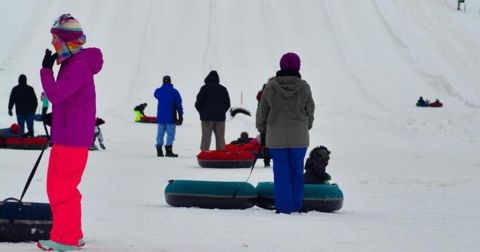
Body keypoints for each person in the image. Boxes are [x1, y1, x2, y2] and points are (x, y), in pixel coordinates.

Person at [37, 14, 103, 251]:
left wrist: (45, 70)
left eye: (55, 37)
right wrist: (58, 116)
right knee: (65, 188)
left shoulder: (77, 66)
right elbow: (69, 99)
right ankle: (71, 235)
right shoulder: (75, 64)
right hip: (71, 135)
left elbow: (55, 94)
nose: (53, 43)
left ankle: (64, 239)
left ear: (66, 40)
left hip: (70, 140)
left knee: (60, 188)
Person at [256, 52, 315, 214]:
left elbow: (262, 112)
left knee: (281, 173)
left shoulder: (271, 87)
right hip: (299, 138)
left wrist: (262, 130)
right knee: (297, 172)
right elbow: (310, 111)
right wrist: (306, 126)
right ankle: (296, 205)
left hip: (276, 138)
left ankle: (283, 207)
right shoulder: (304, 87)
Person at [195, 70, 231, 151]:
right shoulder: (223, 89)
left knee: (206, 137)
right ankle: (221, 155)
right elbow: (228, 103)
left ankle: (204, 154)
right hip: (220, 118)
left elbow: (198, 102)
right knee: (220, 138)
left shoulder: (204, 88)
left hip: (206, 118)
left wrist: (202, 112)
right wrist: (222, 111)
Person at [154, 75, 183, 157]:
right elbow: (179, 105)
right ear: (170, 81)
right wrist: (180, 116)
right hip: (171, 117)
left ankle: (159, 151)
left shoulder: (158, 91)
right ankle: (169, 151)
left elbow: (155, 95)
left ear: (163, 81)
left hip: (160, 117)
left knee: (160, 133)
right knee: (170, 134)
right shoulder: (175, 92)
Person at [256, 81, 272, 167]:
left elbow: (259, 112)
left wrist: (260, 125)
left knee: (265, 143)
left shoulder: (261, 96)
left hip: (264, 124)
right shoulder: (272, 95)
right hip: (273, 123)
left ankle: (266, 161)